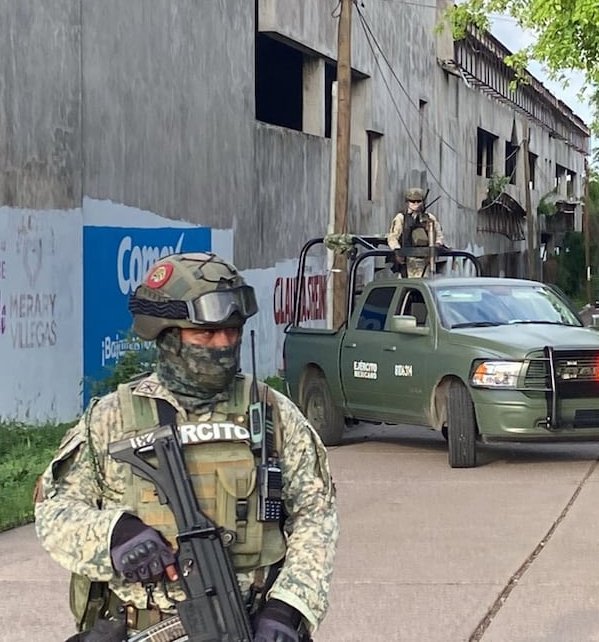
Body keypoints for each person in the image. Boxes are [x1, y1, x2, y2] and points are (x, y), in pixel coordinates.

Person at [34, 252, 338, 642]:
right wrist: (112, 534)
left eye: (232, 331)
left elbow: (316, 517)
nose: (224, 344)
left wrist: (289, 607)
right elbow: (54, 512)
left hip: (247, 625)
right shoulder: (110, 420)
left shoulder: (273, 414)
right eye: (206, 334)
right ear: (168, 336)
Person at [387, 186, 445, 278]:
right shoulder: (401, 218)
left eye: (418, 201)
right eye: (412, 201)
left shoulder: (429, 218)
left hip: (425, 261)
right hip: (407, 260)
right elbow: (393, 237)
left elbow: (439, 236)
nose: (416, 204)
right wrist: (398, 251)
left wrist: (435, 247)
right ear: (407, 202)